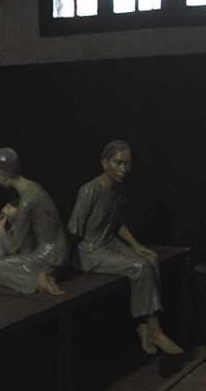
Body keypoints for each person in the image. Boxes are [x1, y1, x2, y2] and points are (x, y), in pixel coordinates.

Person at [68, 140, 182, 355]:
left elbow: (117, 222)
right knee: (140, 267)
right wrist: (61, 262)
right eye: (118, 163)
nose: (123, 169)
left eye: (127, 164)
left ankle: (144, 326)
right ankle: (156, 332)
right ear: (105, 163)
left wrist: (136, 245)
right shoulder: (89, 191)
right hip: (90, 251)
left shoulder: (117, 190)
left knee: (151, 259)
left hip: (109, 244)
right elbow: (74, 229)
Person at [0, 148, 67, 296]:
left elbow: (13, 249)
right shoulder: (34, 187)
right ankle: (43, 277)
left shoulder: (27, 201)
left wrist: (1, 230)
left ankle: (37, 283)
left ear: (2, 174)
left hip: (49, 257)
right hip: (58, 253)